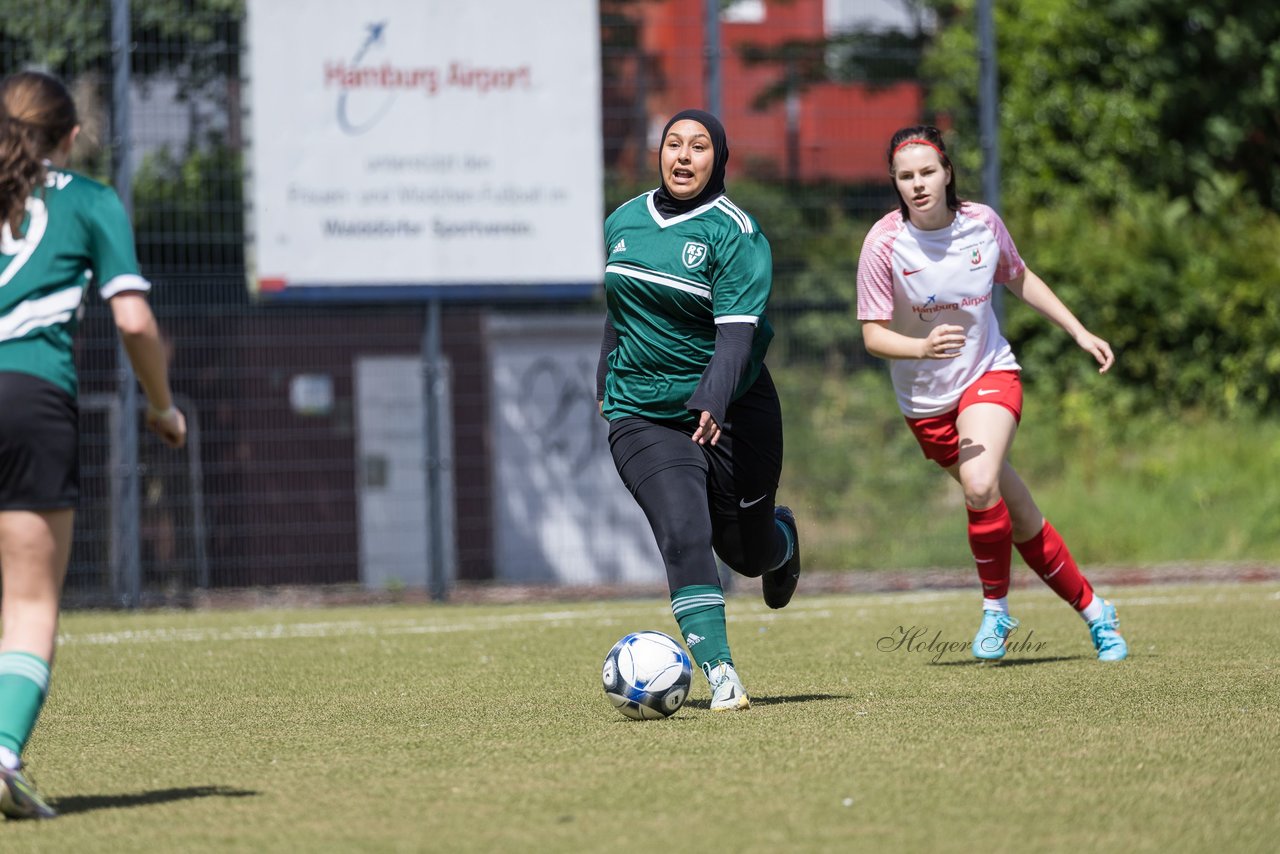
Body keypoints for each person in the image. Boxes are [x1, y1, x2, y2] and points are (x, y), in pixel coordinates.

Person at [855, 125, 1127, 662]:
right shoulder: (883, 244)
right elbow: (872, 334)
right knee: (1018, 513)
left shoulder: (982, 224)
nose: (917, 184)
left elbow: (1019, 277)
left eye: (927, 172)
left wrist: (1079, 331)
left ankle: (996, 611)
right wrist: (921, 347)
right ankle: (1098, 613)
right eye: (905, 176)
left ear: (948, 171)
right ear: (895, 183)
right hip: (926, 406)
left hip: (989, 374)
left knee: (979, 485)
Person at [0, 70, 186, 820]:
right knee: (29, 600)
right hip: (30, 397)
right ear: (71, 135)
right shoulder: (88, 200)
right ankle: (3, 752)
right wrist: (163, 407)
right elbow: (135, 322)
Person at [597, 108, 801, 710]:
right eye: (673, 144)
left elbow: (737, 338)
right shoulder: (623, 220)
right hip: (642, 412)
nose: (683, 156)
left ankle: (782, 543)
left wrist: (712, 396)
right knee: (685, 531)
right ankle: (722, 675)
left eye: (700, 146)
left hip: (734, 409)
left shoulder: (736, 233)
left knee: (745, 551)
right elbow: (620, 309)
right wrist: (604, 378)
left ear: (720, 159)